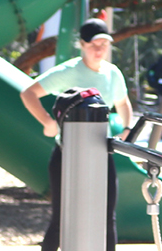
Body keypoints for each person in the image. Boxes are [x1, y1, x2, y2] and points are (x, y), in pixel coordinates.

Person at [18, 18, 132, 251]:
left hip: (101, 154)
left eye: (103, 43)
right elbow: (28, 93)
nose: (99, 49)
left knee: (107, 216)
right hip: (67, 155)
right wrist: (48, 122)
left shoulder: (112, 73)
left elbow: (123, 102)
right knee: (62, 219)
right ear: (81, 44)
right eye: (93, 44)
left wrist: (127, 129)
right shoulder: (69, 71)